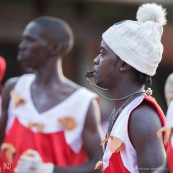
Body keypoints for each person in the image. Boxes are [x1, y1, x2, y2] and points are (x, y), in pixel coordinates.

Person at [0, 16, 103, 173]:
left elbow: (99, 164)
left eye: (30, 40)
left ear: (54, 48)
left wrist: (48, 170)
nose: (22, 46)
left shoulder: (82, 103)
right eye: (23, 40)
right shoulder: (14, 88)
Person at [91, 3, 167, 173]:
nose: (96, 60)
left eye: (102, 53)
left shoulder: (142, 117)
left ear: (124, 63)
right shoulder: (126, 109)